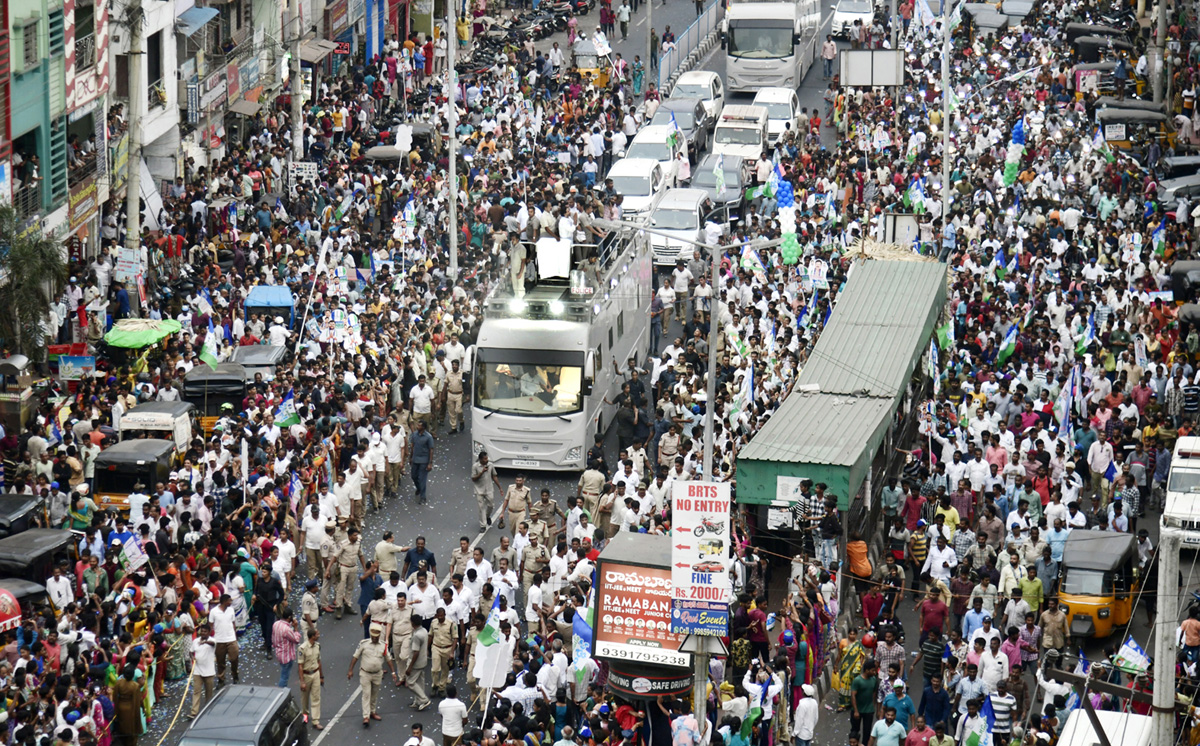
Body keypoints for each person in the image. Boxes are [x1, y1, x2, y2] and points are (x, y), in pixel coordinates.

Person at [347, 623, 397, 727]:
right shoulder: (363, 644)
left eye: (376, 637)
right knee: (366, 694)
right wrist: (350, 670)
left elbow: (388, 659)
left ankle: (372, 711)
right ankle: (366, 716)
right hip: (365, 673)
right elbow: (355, 656)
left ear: (379, 636)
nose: (374, 639)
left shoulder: (383, 645)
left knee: (375, 693)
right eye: (373, 637)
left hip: (378, 674)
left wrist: (393, 672)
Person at [298, 627, 325, 730]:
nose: (318, 635)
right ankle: (305, 715)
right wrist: (302, 681)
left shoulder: (317, 646)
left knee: (316, 697)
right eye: (317, 634)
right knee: (305, 698)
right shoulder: (302, 648)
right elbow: (300, 665)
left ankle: (315, 720)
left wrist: (321, 676)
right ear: (312, 636)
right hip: (306, 674)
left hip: (316, 673)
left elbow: (319, 661)